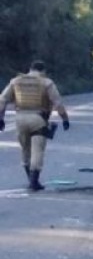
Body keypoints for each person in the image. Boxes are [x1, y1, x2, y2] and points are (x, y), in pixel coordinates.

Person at [0, 60, 70, 191]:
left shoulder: (16, 81)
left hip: (20, 119)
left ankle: (30, 179)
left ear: (30, 69)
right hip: (38, 119)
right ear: (43, 71)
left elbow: (2, 100)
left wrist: (1, 118)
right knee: (37, 150)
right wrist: (65, 119)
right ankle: (34, 181)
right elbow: (58, 103)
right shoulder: (47, 82)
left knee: (25, 150)